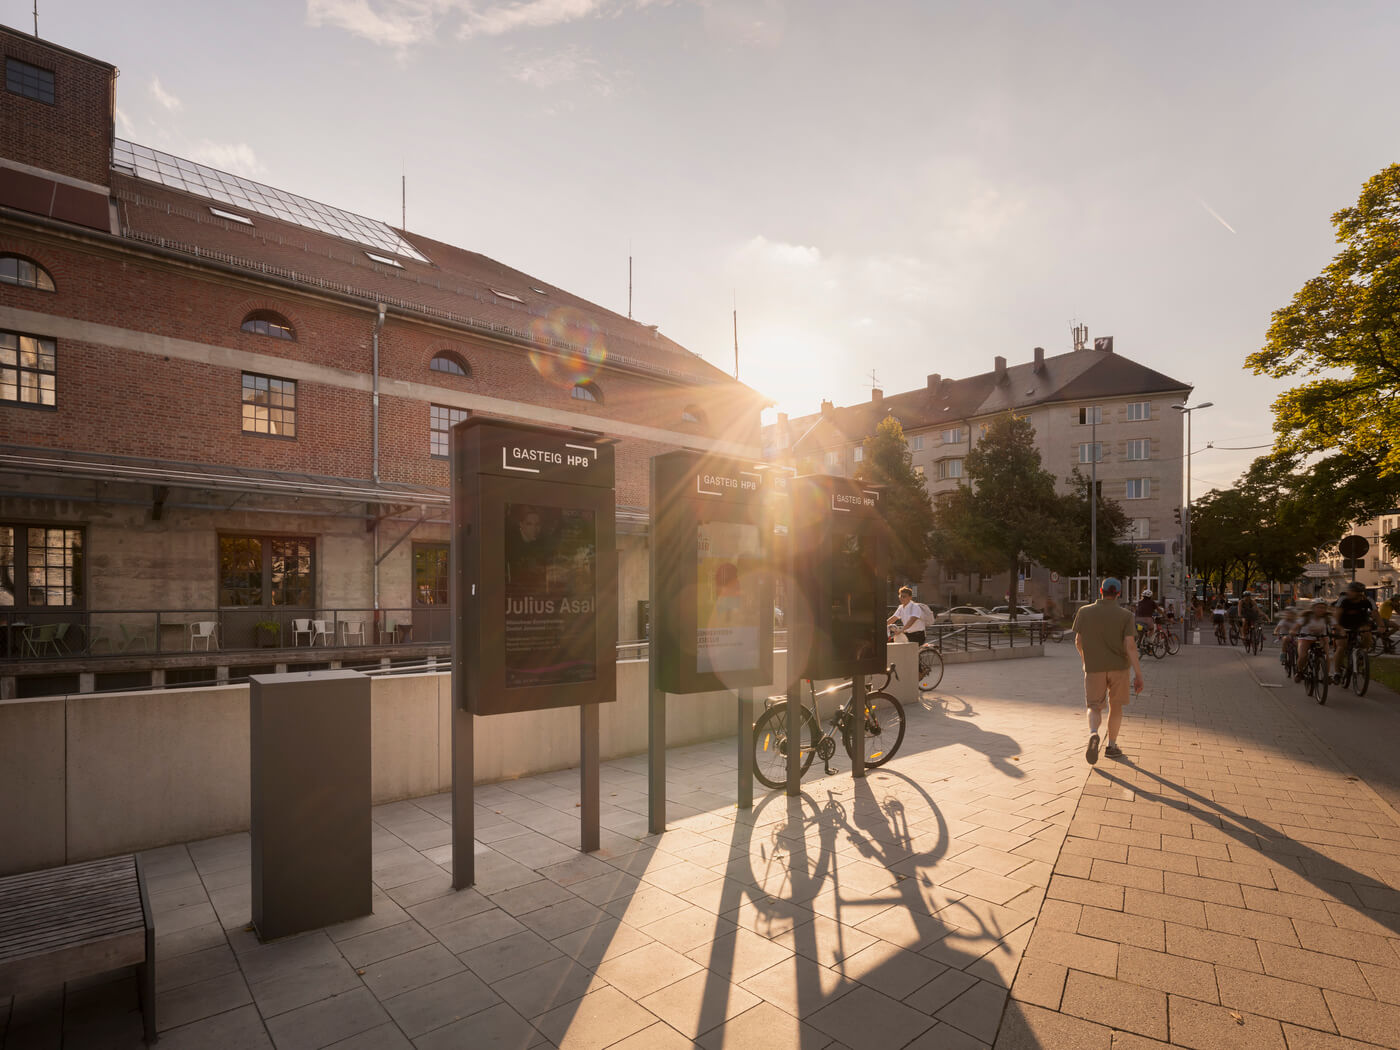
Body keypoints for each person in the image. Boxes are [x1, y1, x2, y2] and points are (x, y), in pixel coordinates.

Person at [1072, 577, 1145, 764]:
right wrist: (1138, 674)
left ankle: (1093, 733)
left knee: (1093, 706)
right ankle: (1112, 746)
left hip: (1094, 667)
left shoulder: (1084, 611)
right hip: (1119, 668)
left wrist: (1085, 660)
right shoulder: (1126, 615)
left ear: (1101, 591)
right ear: (1118, 593)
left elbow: (1078, 641)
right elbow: (1130, 645)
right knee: (1116, 706)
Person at [1332, 582, 1376, 681]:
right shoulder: (1343, 600)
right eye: (1349, 590)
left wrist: (1381, 626)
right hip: (1343, 624)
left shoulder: (1367, 600)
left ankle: (1360, 655)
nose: (1348, 592)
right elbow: (1336, 617)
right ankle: (1337, 672)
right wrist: (1339, 628)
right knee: (1341, 647)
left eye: (1351, 591)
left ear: (1359, 593)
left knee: (1367, 636)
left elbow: (1375, 614)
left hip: (1359, 624)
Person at [1294, 601, 1333, 682]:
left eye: (1323, 608)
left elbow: (1337, 626)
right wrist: (1293, 631)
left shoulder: (1327, 618)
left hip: (1321, 638)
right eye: (1318, 607)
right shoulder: (1306, 617)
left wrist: (1340, 632)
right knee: (1303, 656)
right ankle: (1299, 671)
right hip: (1305, 638)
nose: (1321, 609)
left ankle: (1327, 675)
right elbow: (1295, 627)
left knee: (1326, 656)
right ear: (1313, 608)